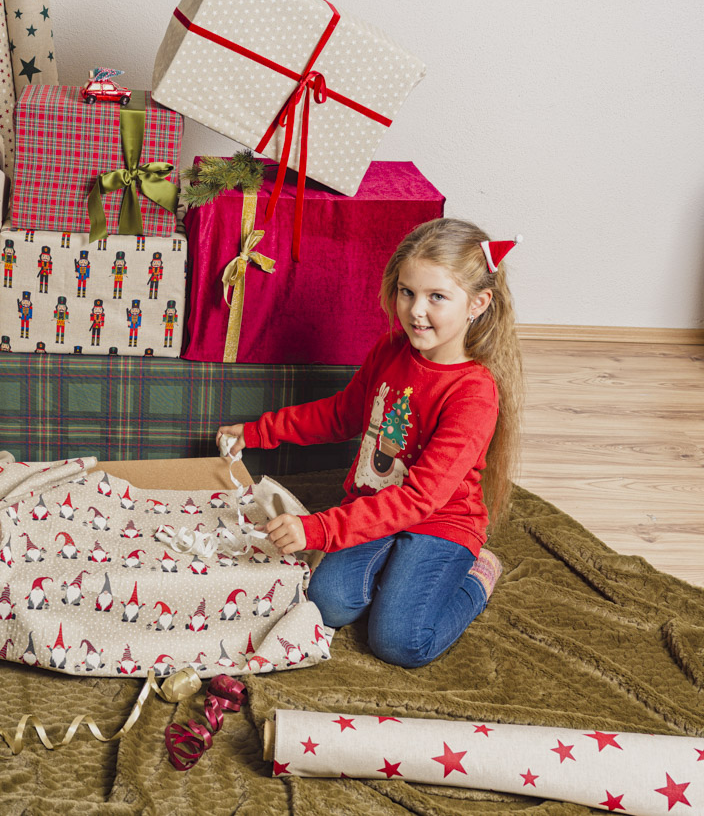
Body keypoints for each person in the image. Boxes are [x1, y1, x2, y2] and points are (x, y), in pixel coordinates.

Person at [217, 218, 523, 668]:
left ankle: (476, 577)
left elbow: (420, 499)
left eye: (437, 297)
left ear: (478, 303)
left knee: (399, 641)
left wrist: (317, 529)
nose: (416, 310)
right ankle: (393, 571)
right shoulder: (390, 350)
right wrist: (261, 430)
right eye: (407, 292)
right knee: (328, 604)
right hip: (373, 506)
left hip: (439, 522)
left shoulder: (473, 393)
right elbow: (343, 414)